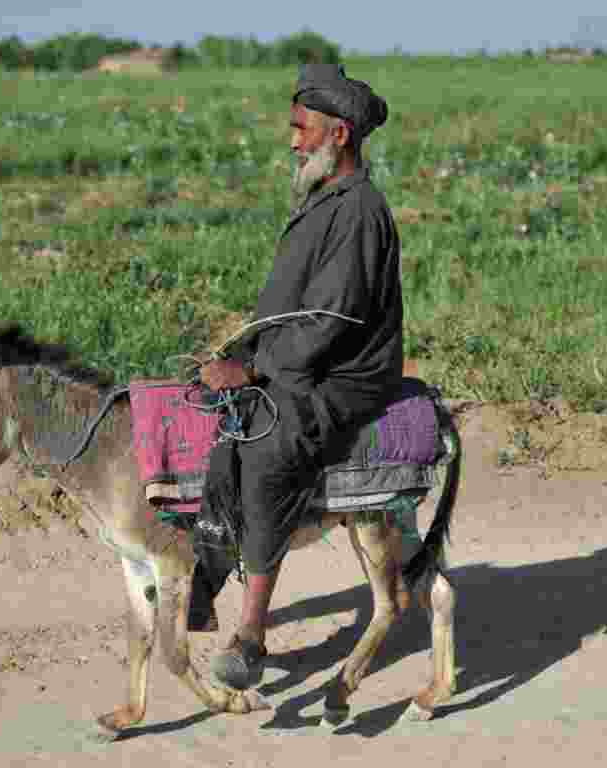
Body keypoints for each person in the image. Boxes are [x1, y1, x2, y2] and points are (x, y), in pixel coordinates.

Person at [197, 63, 404, 690]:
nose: (293, 141)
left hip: (345, 374)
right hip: (305, 360)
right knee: (219, 421)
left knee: (267, 442)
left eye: (301, 128)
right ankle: (204, 580)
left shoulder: (360, 209)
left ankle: (252, 632)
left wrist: (254, 366)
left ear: (338, 134)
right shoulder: (328, 200)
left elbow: (332, 320)